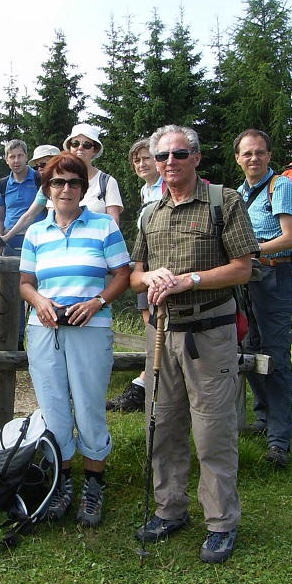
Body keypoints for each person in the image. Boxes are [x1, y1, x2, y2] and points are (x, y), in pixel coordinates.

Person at [130, 124, 258, 564]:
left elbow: (244, 268)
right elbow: (133, 274)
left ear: (196, 157)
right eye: (161, 156)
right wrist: (149, 278)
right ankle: (170, 511)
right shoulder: (150, 213)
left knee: (212, 430)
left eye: (178, 155)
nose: (169, 163)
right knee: (163, 425)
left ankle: (221, 522)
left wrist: (191, 280)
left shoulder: (225, 202)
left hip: (211, 333)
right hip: (161, 334)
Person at [20, 151, 130, 526]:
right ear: (47, 188)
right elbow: (25, 283)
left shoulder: (104, 227)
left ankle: (94, 486)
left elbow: (122, 275)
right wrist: (39, 301)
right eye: (58, 182)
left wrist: (97, 302)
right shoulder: (36, 232)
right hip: (44, 330)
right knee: (54, 409)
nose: (66, 189)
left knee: (89, 407)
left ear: (84, 188)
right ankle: (62, 483)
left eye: (74, 182)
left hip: (90, 329)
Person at [234, 129, 292, 468]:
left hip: (275, 274)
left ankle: (279, 440)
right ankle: (263, 418)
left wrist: (252, 250)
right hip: (248, 277)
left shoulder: (283, 187)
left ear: (269, 155)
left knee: (274, 354)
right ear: (238, 158)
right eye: (247, 153)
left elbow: (291, 237)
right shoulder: (239, 193)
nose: (254, 158)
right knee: (249, 347)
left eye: (259, 152)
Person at [107, 136, 164, 412]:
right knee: (150, 326)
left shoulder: (166, 187)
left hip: (161, 267)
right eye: (136, 160)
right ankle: (150, 385)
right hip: (145, 266)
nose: (141, 163)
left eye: (146, 158)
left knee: (160, 328)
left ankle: (145, 386)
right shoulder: (147, 190)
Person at [0, 140, 45, 350]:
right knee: (11, 291)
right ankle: (17, 339)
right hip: (10, 242)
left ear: (26, 156)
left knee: (38, 290)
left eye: (20, 155)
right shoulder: (3, 184)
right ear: (6, 160)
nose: (16, 160)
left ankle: (38, 337)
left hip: (38, 241)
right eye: (11, 157)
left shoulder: (40, 179)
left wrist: (4, 237)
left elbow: (33, 214)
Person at [0, 144, 61, 245]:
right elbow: (29, 215)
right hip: (43, 240)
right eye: (37, 166)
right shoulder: (44, 188)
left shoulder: (72, 185)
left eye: (43, 165)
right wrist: (4, 238)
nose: (40, 169)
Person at [62, 123, 124, 226]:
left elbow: (113, 225)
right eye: (75, 144)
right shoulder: (57, 180)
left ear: (95, 150)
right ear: (70, 147)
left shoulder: (107, 182)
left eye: (86, 145)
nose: (80, 148)